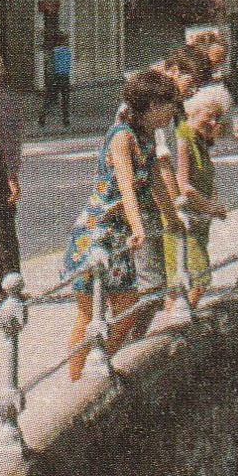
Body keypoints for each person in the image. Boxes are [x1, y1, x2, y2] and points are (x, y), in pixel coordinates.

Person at [65, 70, 181, 380]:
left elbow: (155, 181)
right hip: (96, 232)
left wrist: (172, 218)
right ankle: (75, 381)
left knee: (129, 306)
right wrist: (139, 225)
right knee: (89, 312)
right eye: (169, 103)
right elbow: (127, 185)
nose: (173, 109)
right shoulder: (121, 135)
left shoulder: (146, 138)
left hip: (119, 234)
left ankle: (99, 367)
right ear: (151, 105)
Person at [162, 85, 229, 310]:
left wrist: (213, 203)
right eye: (209, 117)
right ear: (194, 112)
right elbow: (184, 185)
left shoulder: (200, 139)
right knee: (199, 278)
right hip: (183, 218)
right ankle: (179, 323)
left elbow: (207, 178)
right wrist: (210, 207)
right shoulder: (183, 135)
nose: (213, 123)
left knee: (181, 282)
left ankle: (177, 321)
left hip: (198, 218)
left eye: (217, 118)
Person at [0, 54, 20, 302]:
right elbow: (11, 142)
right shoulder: (6, 100)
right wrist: (13, 175)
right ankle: (8, 288)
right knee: (5, 229)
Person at [38, 33, 71, 129]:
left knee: (48, 99)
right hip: (64, 77)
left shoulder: (53, 52)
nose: (67, 42)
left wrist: (47, 80)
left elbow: (49, 67)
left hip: (54, 78)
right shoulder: (68, 52)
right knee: (65, 99)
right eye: (66, 40)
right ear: (63, 41)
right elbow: (67, 67)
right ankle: (66, 119)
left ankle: (42, 117)